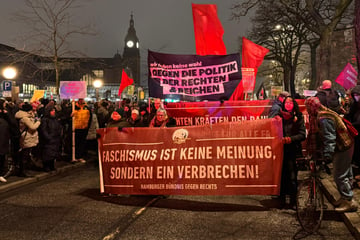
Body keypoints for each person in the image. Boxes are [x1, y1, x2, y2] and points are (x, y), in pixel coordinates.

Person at [305, 97, 358, 212]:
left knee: (339, 175)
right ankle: (346, 197)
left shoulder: (324, 118)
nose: (307, 110)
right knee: (345, 173)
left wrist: (327, 155)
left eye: (308, 107)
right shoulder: (324, 113)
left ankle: (349, 201)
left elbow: (330, 138)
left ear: (312, 107)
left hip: (343, 146)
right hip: (346, 144)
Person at [276, 96, 306, 209]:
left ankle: (294, 201)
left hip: (293, 151)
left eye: (290, 102)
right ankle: (282, 200)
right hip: (281, 151)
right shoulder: (279, 117)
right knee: (282, 177)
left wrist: (290, 139)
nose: (288, 104)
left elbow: (303, 134)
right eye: (286, 102)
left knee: (293, 177)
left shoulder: (298, 117)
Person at [15, 102, 41, 177]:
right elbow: (32, 127)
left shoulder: (27, 116)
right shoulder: (25, 118)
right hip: (27, 138)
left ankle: (25, 169)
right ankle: (22, 171)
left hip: (30, 137)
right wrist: (38, 122)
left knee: (26, 154)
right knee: (25, 155)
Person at [38, 105, 62, 171]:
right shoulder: (45, 120)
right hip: (48, 140)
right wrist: (48, 137)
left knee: (53, 153)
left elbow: (59, 127)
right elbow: (43, 130)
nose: (53, 112)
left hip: (55, 138)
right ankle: (46, 166)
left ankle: (52, 165)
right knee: (47, 153)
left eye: (54, 110)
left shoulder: (55, 119)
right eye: (52, 110)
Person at [71, 98, 91, 163]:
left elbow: (90, 118)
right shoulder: (74, 107)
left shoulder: (87, 108)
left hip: (84, 128)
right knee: (75, 143)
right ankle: (74, 156)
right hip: (76, 128)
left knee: (82, 143)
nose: (81, 100)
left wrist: (87, 127)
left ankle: (80, 156)